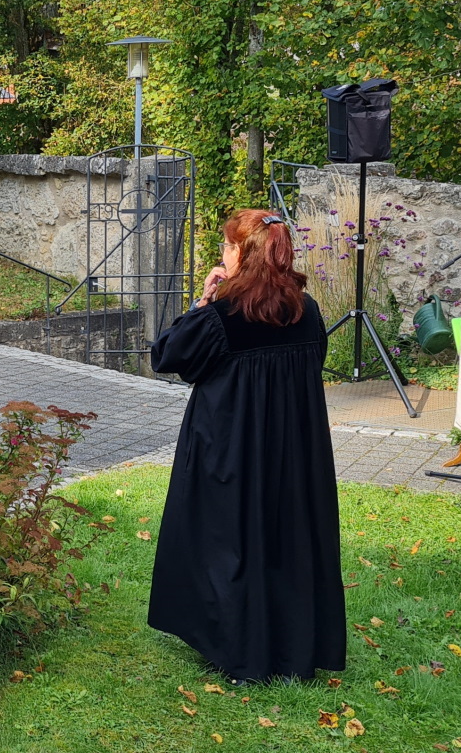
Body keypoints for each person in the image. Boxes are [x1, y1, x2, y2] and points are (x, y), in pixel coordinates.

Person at [147, 208, 344, 684]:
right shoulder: (306, 310)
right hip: (293, 454)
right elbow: (313, 362)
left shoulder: (221, 316)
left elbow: (166, 355)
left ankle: (241, 656)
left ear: (243, 254)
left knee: (229, 542)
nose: (222, 254)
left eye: (227, 246)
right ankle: (293, 652)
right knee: (287, 542)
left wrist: (203, 299)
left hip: (230, 450)